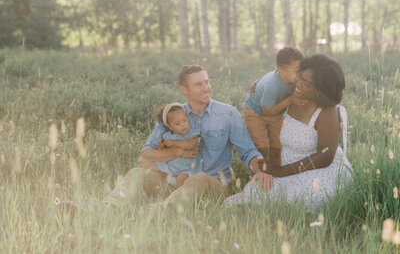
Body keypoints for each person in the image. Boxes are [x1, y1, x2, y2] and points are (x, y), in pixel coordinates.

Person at [103, 65, 273, 209]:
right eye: (198, 84)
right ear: (184, 90)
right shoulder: (173, 115)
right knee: (136, 173)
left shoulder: (228, 114)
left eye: (206, 82)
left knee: (200, 178)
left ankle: (155, 212)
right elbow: (145, 155)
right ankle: (108, 208)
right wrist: (179, 151)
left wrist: (260, 168)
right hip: (175, 185)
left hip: (211, 187)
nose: (206, 88)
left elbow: (248, 151)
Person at [224, 54, 353, 212]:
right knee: (257, 193)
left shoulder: (328, 111)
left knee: (310, 196)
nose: (298, 83)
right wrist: (262, 82)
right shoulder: (289, 91)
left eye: (305, 82)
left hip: (316, 167)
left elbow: (324, 157)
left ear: (320, 89)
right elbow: (277, 77)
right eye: (299, 76)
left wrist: (280, 172)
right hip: (286, 162)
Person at [243, 47, 305, 165]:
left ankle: (276, 172)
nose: (300, 74)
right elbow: (267, 111)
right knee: (262, 147)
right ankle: (260, 172)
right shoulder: (272, 86)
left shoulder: (293, 78)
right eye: (297, 71)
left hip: (276, 112)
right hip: (256, 112)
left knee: (277, 146)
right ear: (282, 72)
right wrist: (290, 100)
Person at [143, 102, 201, 188]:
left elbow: (191, 145)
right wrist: (161, 148)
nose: (183, 125)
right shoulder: (167, 136)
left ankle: (178, 197)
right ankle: (167, 185)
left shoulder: (191, 134)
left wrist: (174, 143)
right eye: (177, 123)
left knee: (181, 179)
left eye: (184, 120)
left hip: (186, 169)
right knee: (146, 166)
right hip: (171, 170)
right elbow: (163, 155)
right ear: (169, 126)